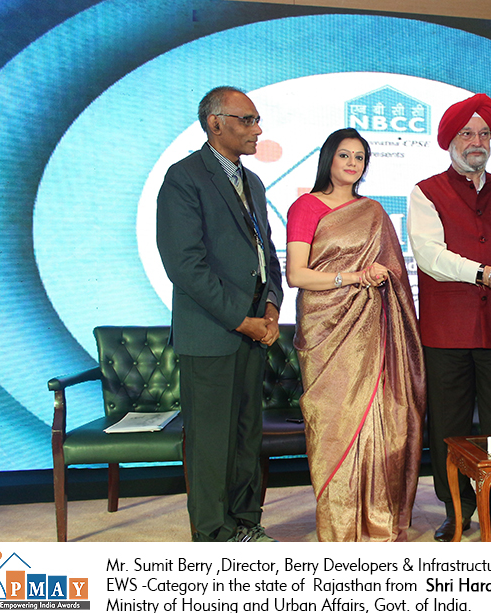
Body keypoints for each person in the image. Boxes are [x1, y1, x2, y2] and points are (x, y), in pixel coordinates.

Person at [157, 86, 283, 542]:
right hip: (213, 333)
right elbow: (184, 265)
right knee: (211, 441)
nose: (258, 130)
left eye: (257, 120)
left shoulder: (253, 182)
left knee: (247, 436)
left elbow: (266, 253)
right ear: (215, 123)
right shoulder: (184, 177)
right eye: (247, 120)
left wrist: (271, 306)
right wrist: (241, 319)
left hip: (254, 330)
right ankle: (213, 534)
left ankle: (246, 522)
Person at [286, 128, 425, 542]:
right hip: (325, 328)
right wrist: (354, 276)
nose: (352, 163)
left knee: (378, 419)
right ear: (328, 157)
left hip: (371, 328)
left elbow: (394, 272)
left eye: (360, 157)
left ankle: (378, 517)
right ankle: (339, 524)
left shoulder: (373, 212)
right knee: (333, 422)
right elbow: (297, 275)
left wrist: (380, 276)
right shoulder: (306, 207)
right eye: (344, 155)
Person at [408, 93, 491, 543]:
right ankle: (456, 510)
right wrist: (485, 274)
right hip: (447, 331)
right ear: (450, 141)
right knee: (449, 427)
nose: (476, 141)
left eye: (483, 133)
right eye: (466, 133)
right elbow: (430, 256)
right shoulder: (426, 192)